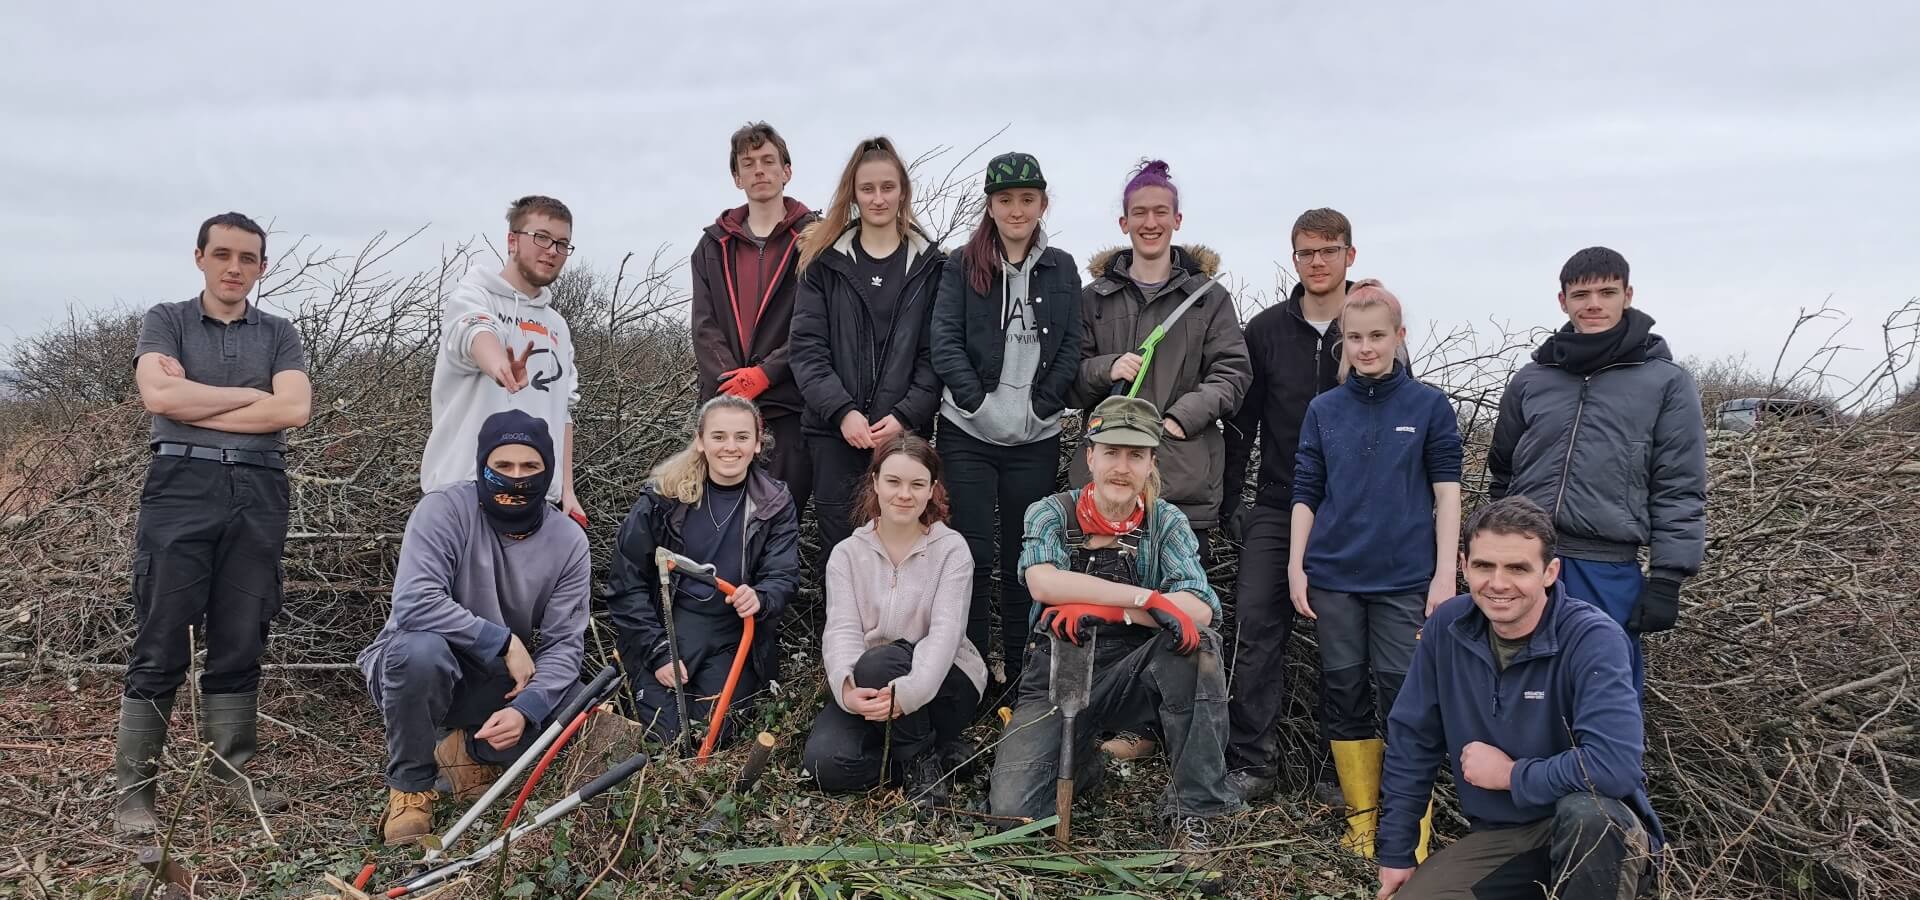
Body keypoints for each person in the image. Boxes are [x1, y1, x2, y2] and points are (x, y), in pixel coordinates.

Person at [113, 212, 312, 834]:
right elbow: (160, 400)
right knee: (163, 629)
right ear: (199, 256)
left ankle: (233, 774)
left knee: (242, 628)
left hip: (259, 485)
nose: (234, 267)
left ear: (262, 266)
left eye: (247, 258)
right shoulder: (165, 320)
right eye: (222, 254)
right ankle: (136, 791)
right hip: (181, 483)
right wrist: (256, 400)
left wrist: (198, 396)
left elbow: (297, 409)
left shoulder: (279, 332)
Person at [990, 395, 1245, 856]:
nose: (1121, 467)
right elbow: (1042, 580)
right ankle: (1082, 758)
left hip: (1134, 674)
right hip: (1056, 675)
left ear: (1151, 462)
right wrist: (1148, 599)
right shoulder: (1050, 512)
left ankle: (1195, 815)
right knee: (1013, 815)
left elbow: (1200, 607)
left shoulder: (1167, 522)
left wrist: (1115, 612)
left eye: (1135, 455)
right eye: (1111, 452)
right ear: (1090, 456)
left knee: (1200, 645)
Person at [1375, 497, 1662, 900]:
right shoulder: (1447, 627)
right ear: (1463, 565)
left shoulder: (1593, 638)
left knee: (1589, 816)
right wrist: (1397, 849)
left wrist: (1511, 775)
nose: (1498, 583)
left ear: (1549, 572)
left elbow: (1614, 767)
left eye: (1517, 568)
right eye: (1483, 566)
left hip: (1599, 835)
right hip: (1506, 836)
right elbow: (1412, 739)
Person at [358, 411, 591, 845]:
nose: (516, 478)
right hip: (417, 664)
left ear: (549, 470)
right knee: (420, 652)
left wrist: (527, 709)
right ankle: (411, 789)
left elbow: (564, 644)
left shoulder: (569, 541)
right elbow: (414, 603)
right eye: (503, 466)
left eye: (530, 467)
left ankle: (468, 752)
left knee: (580, 707)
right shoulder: (444, 509)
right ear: (483, 464)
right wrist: (501, 641)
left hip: (494, 683)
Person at [1288, 280, 1461, 860]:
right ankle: (1362, 820)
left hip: (1405, 580)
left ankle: (1408, 826)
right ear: (1343, 341)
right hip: (1334, 577)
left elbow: (1448, 493)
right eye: (1355, 337)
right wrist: (1296, 566)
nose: (1366, 347)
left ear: (1399, 337)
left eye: (1378, 336)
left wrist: (1444, 576)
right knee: (1343, 692)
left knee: (1404, 697)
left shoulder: (1429, 406)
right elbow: (1306, 490)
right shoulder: (1323, 410)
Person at [1488, 247, 1707, 693]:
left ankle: (1604, 766)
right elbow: (1502, 472)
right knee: (1522, 689)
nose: (1593, 304)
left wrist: (1668, 577)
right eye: (1581, 294)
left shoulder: (1666, 382)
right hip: (1528, 563)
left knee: (1602, 691)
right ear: (1562, 301)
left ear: (1627, 295)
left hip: (1606, 568)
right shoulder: (1532, 379)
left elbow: (1679, 486)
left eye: (1607, 292)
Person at [1222, 207, 1367, 803]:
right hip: (1278, 506)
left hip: (1351, 514)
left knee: (1347, 638)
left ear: (1349, 256)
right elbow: (1240, 426)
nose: (1317, 262)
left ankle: (1342, 773)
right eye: (1306, 252)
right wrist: (1234, 500)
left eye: (1328, 252)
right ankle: (1251, 763)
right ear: (1294, 258)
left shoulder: (1369, 324)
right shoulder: (1266, 330)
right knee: (1254, 626)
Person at [929, 151, 1083, 690]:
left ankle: (1021, 677)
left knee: (1026, 558)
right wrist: (974, 402)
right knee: (968, 555)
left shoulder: (1063, 267)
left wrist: (1044, 405)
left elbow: (1072, 346)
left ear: (1042, 203)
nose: (1017, 210)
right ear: (989, 206)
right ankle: (969, 678)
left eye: (1027, 199)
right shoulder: (959, 264)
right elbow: (943, 340)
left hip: (1034, 438)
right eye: (1005, 200)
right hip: (967, 435)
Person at [1070, 160, 1249, 559]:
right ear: (1123, 222)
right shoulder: (1092, 299)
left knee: (1178, 612)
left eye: (1160, 212)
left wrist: (1180, 419)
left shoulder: (1208, 298)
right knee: (1104, 611)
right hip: (1104, 486)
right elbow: (1067, 379)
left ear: (1177, 219)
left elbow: (1233, 372)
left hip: (1180, 482)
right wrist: (1107, 367)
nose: (1150, 223)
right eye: (1139, 213)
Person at [801, 435, 983, 813]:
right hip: (870, 682)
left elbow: (945, 635)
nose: (905, 494)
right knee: (826, 765)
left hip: (944, 685)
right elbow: (842, 631)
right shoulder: (847, 555)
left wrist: (910, 693)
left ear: (932, 490)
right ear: (875, 482)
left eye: (917, 484)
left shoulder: (951, 550)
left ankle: (919, 761)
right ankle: (934, 754)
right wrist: (848, 688)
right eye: (893, 482)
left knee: (881, 661)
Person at [605, 395, 800, 748]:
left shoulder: (775, 502)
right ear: (700, 440)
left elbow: (782, 575)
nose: (730, 447)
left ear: (758, 444)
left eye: (742, 437)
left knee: (715, 734)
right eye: (719, 436)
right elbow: (626, 583)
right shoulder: (662, 497)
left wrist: (762, 596)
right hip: (666, 628)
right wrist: (658, 651)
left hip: (731, 635)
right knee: (666, 739)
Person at [790, 137, 947, 568]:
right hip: (834, 435)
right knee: (841, 553)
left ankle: (900, 639)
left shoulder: (933, 265)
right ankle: (841, 638)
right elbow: (807, 350)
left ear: (902, 192)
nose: (878, 198)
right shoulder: (822, 261)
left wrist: (905, 416)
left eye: (888, 187)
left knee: (904, 549)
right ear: (853, 194)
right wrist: (843, 413)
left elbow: (936, 356)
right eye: (867, 189)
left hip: (902, 435)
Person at [421, 196, 585, 524]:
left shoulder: (557, 326)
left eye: (562, 244)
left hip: (537, 500)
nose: (552, 250)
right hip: (465, 493)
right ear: (513, 240)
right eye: (541, 237)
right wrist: (499, 365)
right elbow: (474, 332)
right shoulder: (474, 294)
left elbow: (563, 410)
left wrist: (566, 490)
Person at [691, 122, 818, 515]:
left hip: (787, 405)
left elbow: (813, 323)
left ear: (787, 171)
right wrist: (733, 383)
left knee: (778, 515)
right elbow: (703, 323)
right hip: (725, 407)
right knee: (720, 514)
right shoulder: (712, 245)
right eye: (749, 163)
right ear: (737, 177)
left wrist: (767, 373)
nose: (759, 170)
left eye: (768, 161)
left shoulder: (815, 238)